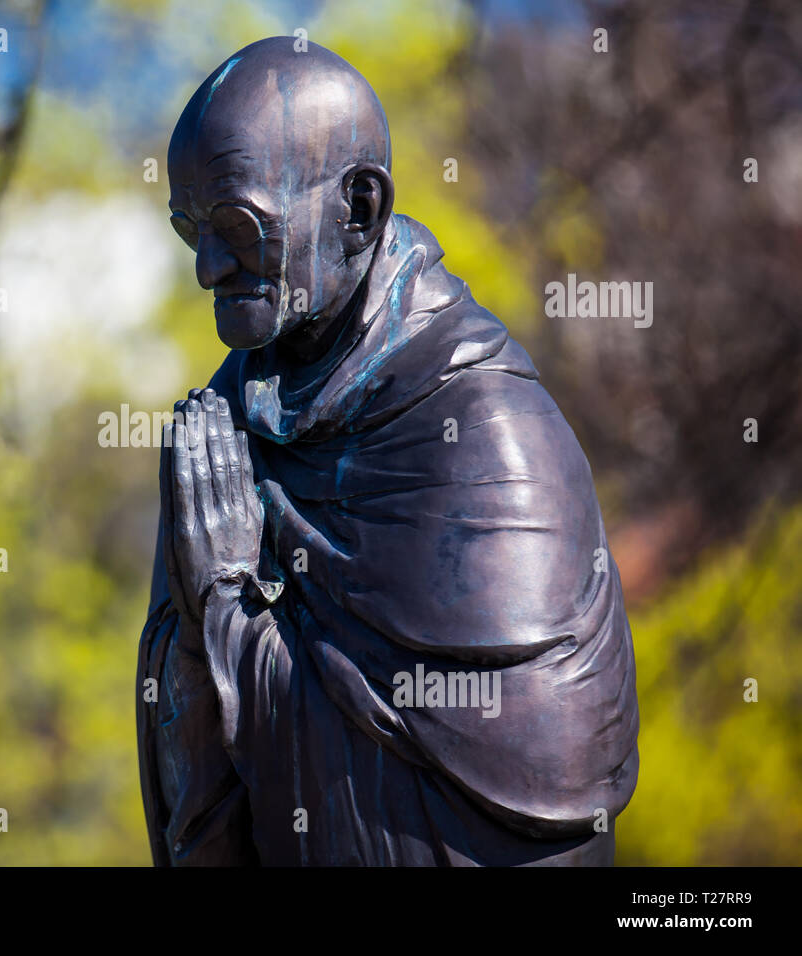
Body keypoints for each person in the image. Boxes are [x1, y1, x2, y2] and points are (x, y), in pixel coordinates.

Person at [136, 36, 640, 866]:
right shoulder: (220, 430)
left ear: (359, 210)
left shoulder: (488, 431)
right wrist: (193, 637)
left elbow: (527, 801)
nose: (207, 268)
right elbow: (192, 794)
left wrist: (227, 606)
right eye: (190, 229)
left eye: (238, 225)